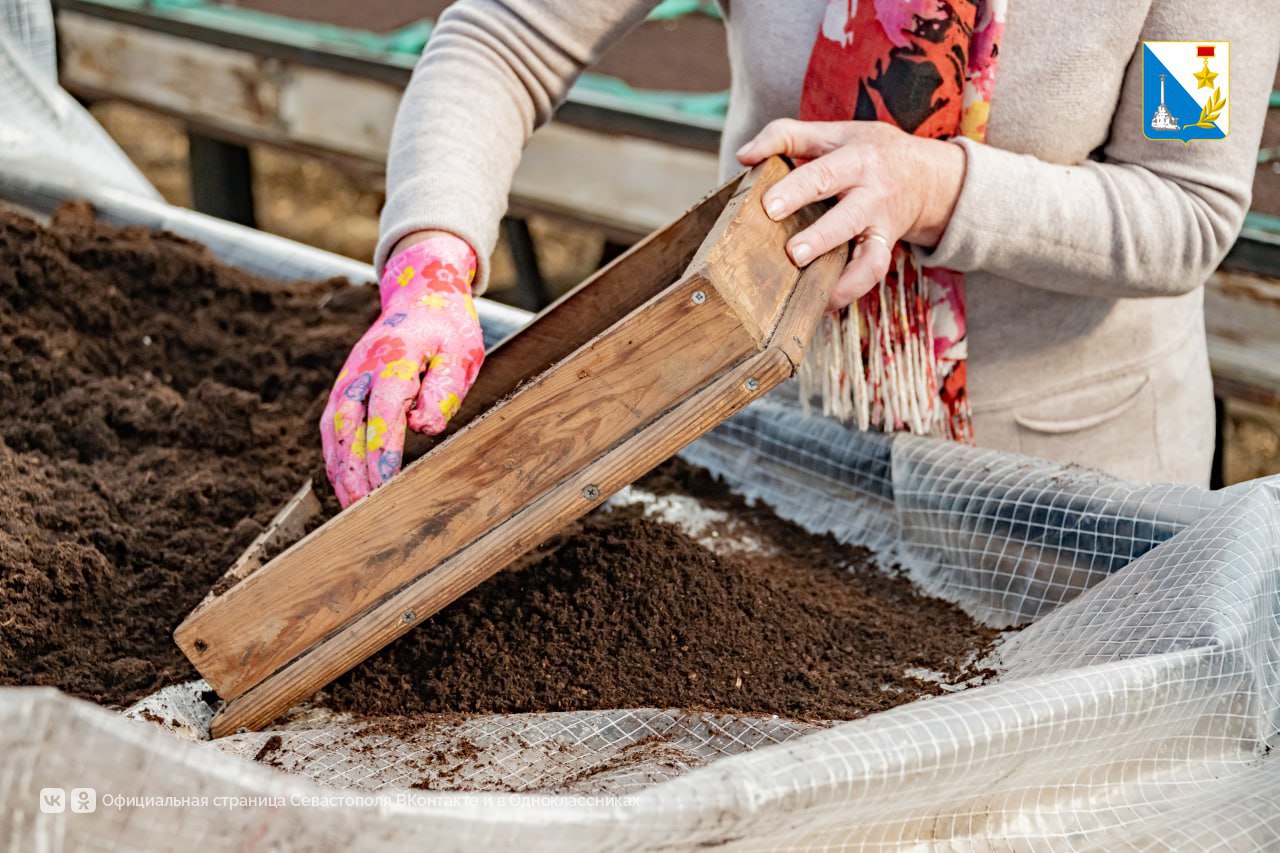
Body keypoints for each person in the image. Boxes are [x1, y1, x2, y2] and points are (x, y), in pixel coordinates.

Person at [320, 0, 1280, 507]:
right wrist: (431, 267)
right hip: (782, 422)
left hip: (1062, 481)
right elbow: (505, 37)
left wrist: (934, 186)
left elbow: (1183, 204)